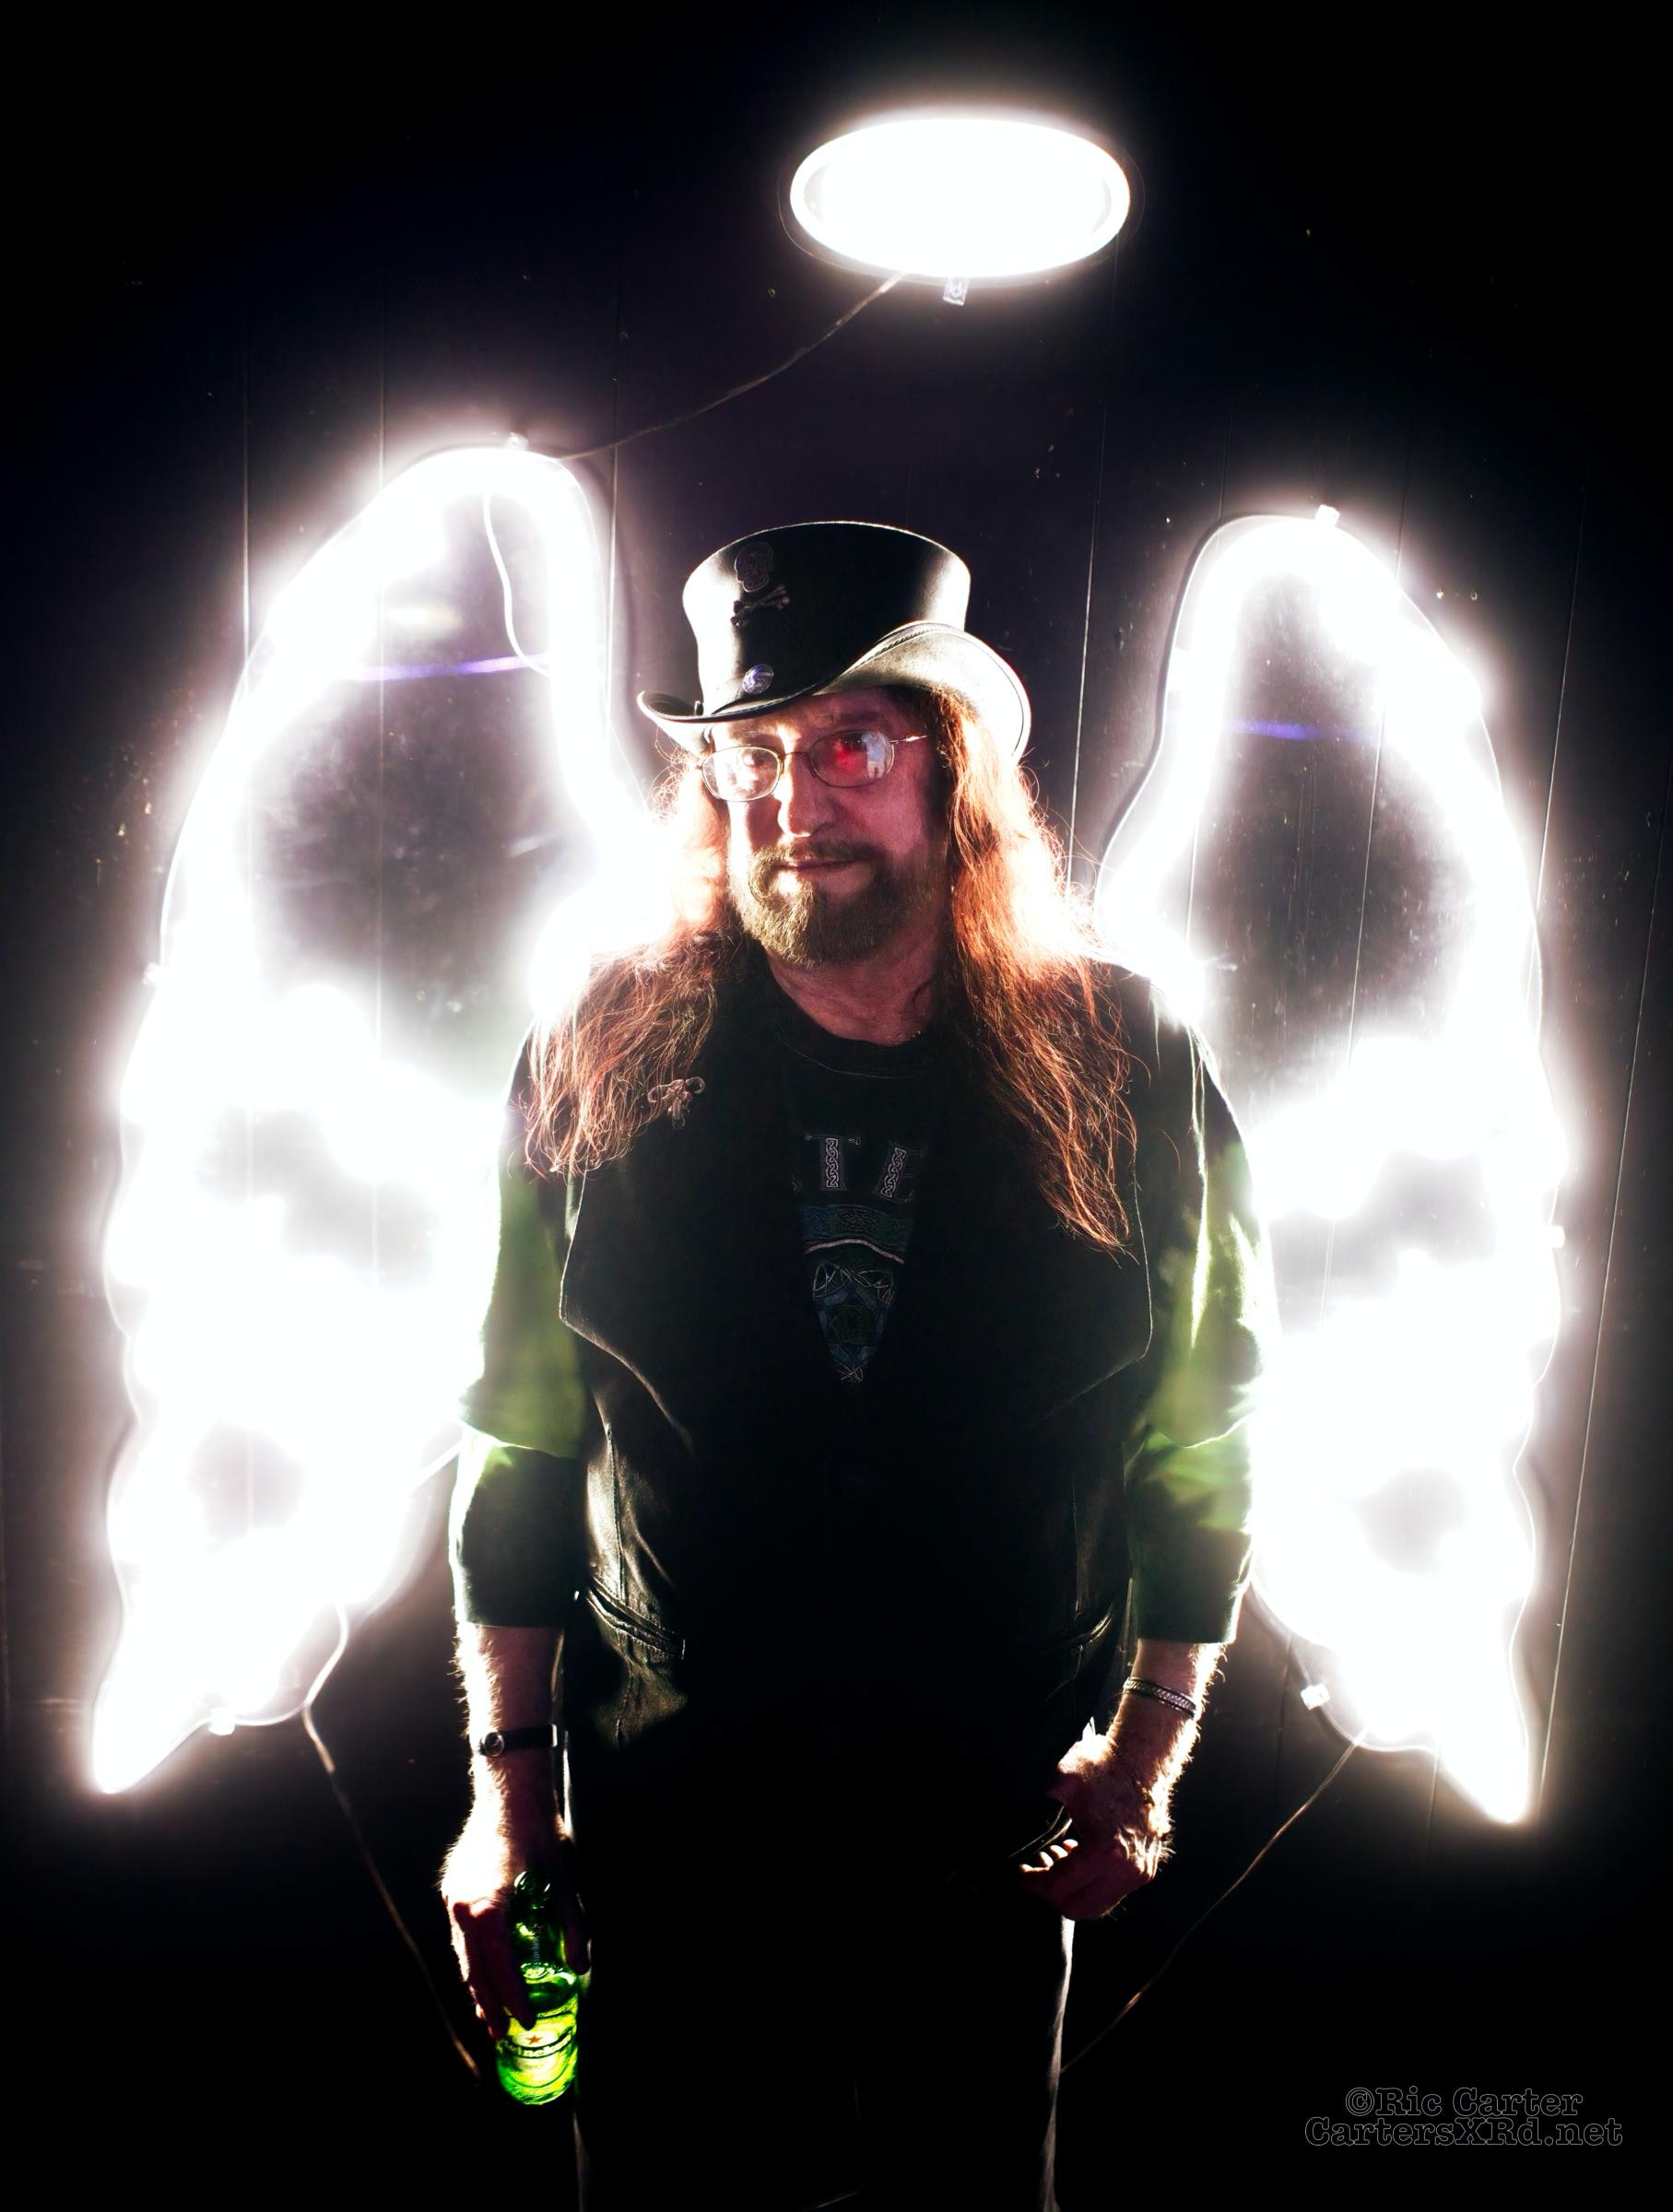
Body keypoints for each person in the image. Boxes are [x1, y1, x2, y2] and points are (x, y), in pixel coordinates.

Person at [440, 522, 1273, 2211]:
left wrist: (1145, 1758)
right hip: (676, 1825)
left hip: (986, 1832)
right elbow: (521, 1437)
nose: (792, 801)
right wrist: (508, 1797)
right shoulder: (598, 1049)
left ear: (952, 772)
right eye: (752, 756)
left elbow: (1205, 1429)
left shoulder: (1125, 1060)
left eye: (850, 747)